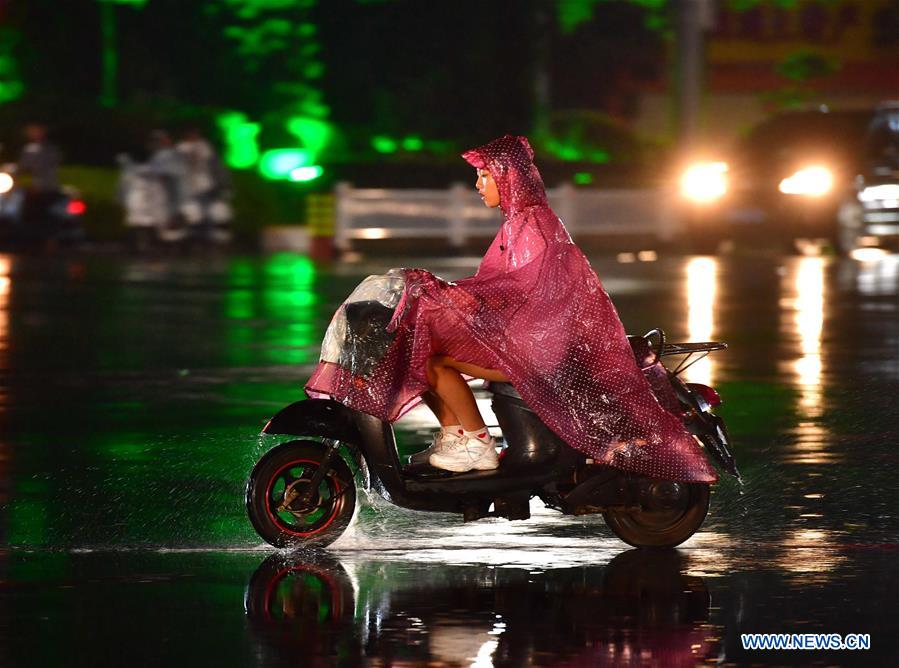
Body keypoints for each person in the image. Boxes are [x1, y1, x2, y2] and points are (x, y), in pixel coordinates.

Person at [306, 134, 714, 482]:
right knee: (419, 347)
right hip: (522, 337)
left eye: (484, 176)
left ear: (508, 179)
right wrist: (452, 294)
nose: (478, 184)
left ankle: (477, 444)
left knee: (433, 360)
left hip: (536, 349)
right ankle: (457, 437)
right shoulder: (518, 223)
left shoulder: (533, 225)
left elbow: (527, 291)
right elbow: (503, 288)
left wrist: (450, 295)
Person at [17, 122, 62, 230]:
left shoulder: (50, 150)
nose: (33, 133)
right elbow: (22, 167)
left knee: (40, 210)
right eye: (31, 131)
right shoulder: (28, 148)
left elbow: (48, 167)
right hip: (31, 187)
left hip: (46, 187)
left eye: (36, 130)